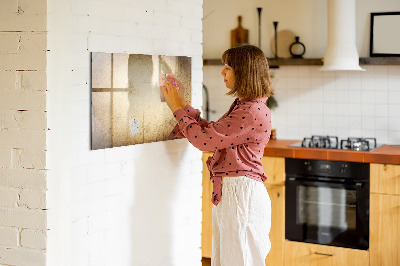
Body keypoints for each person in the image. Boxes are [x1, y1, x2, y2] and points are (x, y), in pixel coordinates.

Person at [161, 44, 273, 266]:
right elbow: (212, 133)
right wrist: (183, 103)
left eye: (228, 67)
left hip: (241, 195)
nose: (222, 72)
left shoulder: (250, 111)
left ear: (244, 72)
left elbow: (204, 141)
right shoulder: (246, 106)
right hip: (236, 193)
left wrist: (176, 108)